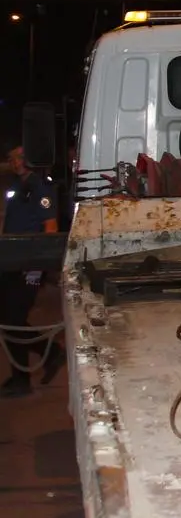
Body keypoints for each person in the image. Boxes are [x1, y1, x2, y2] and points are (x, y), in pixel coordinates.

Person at [1, 145, 66, 398]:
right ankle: (45, 358)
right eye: (11, 158)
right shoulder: (19, 185)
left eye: (19, 156)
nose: (15, 162)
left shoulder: (40, 187)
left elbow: (50, 227)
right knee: (9, 320)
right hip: (12, 262)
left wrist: (37, 268)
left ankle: (27, 374)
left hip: (28, 266)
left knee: (13, 320)